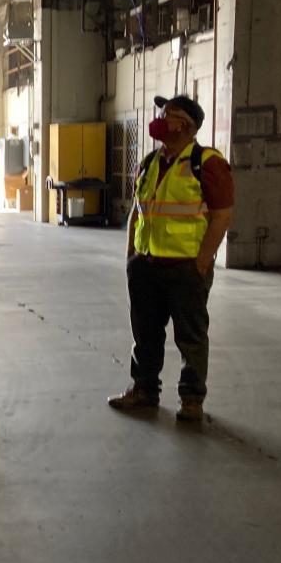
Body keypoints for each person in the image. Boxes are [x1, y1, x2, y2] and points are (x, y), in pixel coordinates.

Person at [108, 95, 234, 423]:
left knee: (190, 336)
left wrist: (202, 263)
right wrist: (131, 256)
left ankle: (192, 400)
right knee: (146, 333)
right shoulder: (150, 162)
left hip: (185, 268)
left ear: (187, 126)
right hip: (146, 265)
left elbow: (221, 216)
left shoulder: (206, 163)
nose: (162, 118)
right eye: (162, 112)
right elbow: (139, 210)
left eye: (170, 114)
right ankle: (144, 390)